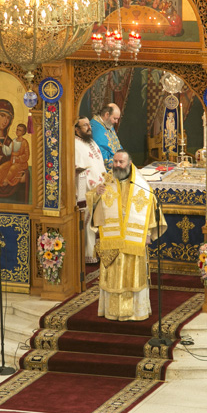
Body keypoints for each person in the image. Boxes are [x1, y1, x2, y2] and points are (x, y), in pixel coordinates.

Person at [90, 150, 166, 321]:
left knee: (133, 276)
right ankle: (112, 311)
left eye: (121, 162)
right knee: (113, 275)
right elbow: (93, 203)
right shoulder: (106, 183)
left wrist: (147, 234)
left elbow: (150, 211)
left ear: (129, 163)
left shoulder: (141, 186)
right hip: (112, 239)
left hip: (134, 240)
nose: (117, 165)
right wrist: (96, 194)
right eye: (115, 162)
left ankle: (135, 312)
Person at [74, 116, 106, 264]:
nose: (89, 127)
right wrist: (93, 186)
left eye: (89, 125)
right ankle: (89, 254)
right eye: (85, 125)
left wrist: (105, 181)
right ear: (76, 129)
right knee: (88, 221)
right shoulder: (74, 144)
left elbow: (99, 163)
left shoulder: (91, 141)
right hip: (85, 190)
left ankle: (99, 251)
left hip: (101, 186)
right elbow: (78, 170)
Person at [90, 103, 123, 170]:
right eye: (115, 118)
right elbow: (101, 154)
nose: (116, 122)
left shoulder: (107, 124)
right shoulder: (96, 129)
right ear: (107, 114)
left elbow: (117, 145)